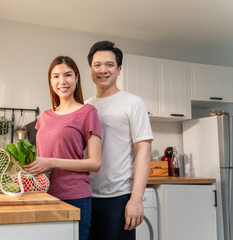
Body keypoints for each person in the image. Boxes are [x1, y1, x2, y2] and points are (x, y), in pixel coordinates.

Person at [24, 56, 102, 240]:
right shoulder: (44, 116)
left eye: (67, 75)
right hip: (43, 195)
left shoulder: (88, 113)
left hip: (74, 197)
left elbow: (95, 163)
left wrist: (51, 162)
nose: (62, 81)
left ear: (76, 77)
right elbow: (40, 157)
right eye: (55, 76)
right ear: (50, 81)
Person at [85, 41, 153, 240]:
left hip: (118, 199)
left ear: (119, 69)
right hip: (86, 196)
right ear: (90, 69)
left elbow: (144, 151)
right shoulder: (85, 106)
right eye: (97, 65)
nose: (103, 70)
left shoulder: (133, 103)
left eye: (109, 65)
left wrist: (136, 199)